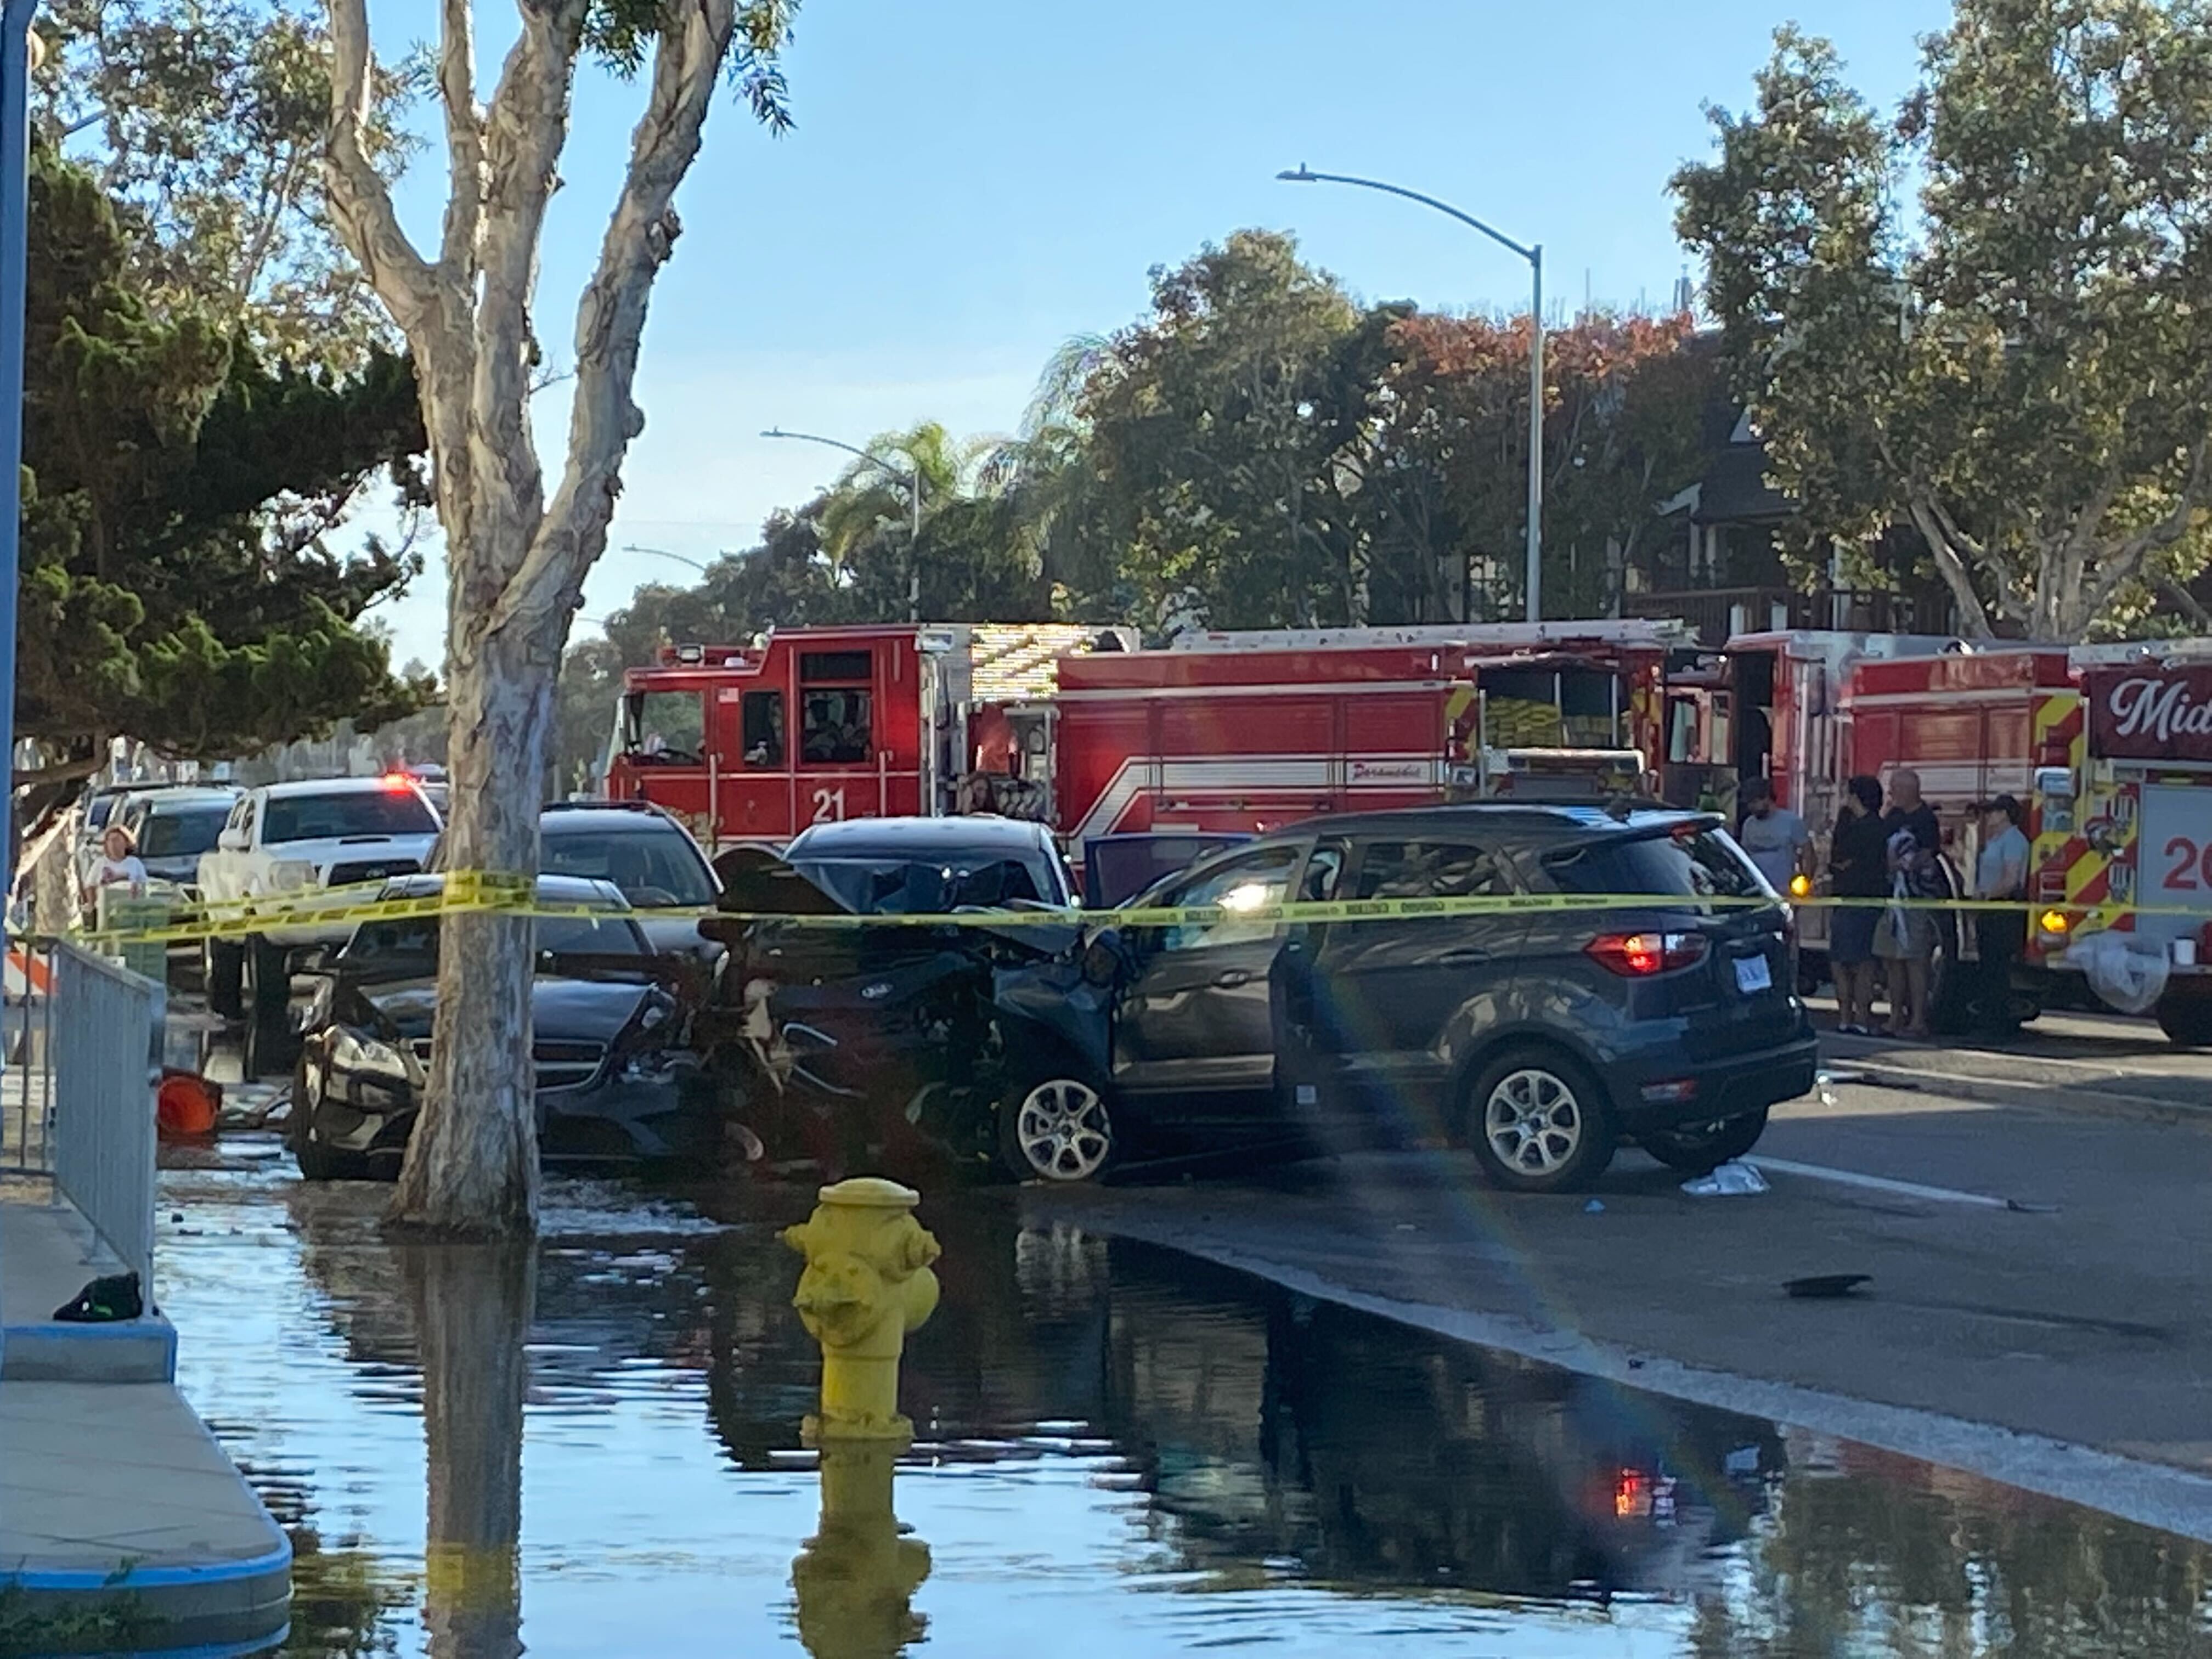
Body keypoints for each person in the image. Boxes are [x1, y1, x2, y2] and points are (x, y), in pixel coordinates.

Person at [1876, 768, 1943, 1039]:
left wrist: (1907, 864)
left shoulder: (1926, 820)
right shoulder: (1893, 817)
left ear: (1910, 790)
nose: (1891, 793)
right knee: (1892, 959)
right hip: (1892, 899)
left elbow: (1928, 855)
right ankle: (1894, 1017)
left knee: (1916, 960)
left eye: (1895, 788)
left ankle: (1918, 1019)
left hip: (1915, 900)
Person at [1827, 775, 1888, 1035]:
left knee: (1845, 963)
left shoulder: (1858, 829)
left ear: (1856, 797)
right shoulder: (1881, 828)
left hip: (1851, 899)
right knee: (1864, 963)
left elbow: (1840, 861)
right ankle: (1862, 1018)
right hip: (1870, 901)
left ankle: (1848, 1018)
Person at [1973, 794, 2032, 1034]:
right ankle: (1990, 1018)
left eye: (1993, 812)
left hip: (2003, 910)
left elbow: (2011, 879)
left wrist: (1986, 895)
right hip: (1990, 910)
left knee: (1997, 969)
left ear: (2005, 814)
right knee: (1989, 968)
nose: (1989, 817)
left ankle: (1997, 1022)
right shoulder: (1997, 839)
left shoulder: (2014, 840)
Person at [1736, 776, 1811, 894]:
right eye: (1749, 803)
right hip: (1756, 891)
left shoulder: (1791, 822)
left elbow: (1809, 854)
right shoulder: (1749, 824)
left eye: (1755, 802)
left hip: (1785, 890)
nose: (1751, 807)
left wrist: (1803, 884)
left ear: (1767, 798)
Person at [81, 823, 147, 912]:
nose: (113, 844)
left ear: (126, 843)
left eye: (117, 840)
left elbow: (143, 885)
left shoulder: (135, 863)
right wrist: (92, 906)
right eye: (110, 841)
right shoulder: (100, 863)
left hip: (130, 908)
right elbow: (90, 886)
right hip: (105, 909)